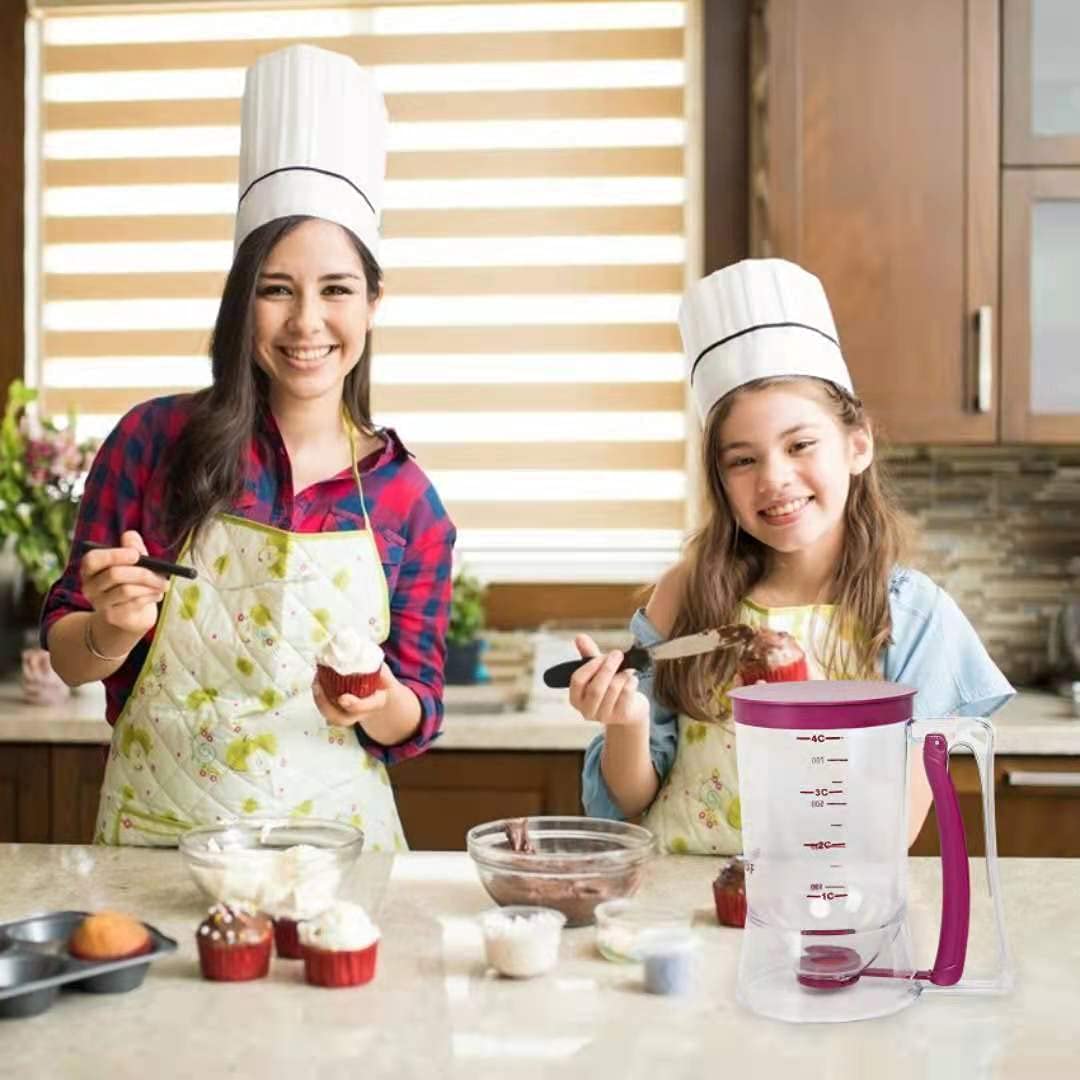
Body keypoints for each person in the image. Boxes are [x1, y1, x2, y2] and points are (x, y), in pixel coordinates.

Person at [41, 45, 455, 849]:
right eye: (276, 289)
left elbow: (419, 716)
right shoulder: (153, 442)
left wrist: (376, 699)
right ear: (242, 302)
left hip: (339, 855)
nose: (307, 323)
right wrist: (112, 628)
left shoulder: (409, 500)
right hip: (162, 843)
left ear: (373, 303)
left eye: (336, 289)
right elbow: (69, 654)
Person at [572, 258, 1013, 855]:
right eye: (743, 460)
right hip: (676, 903)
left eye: (800, 444)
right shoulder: (684, 594)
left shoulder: (910, 615)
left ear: (857, 446)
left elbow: (897, 830)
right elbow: (628, 800)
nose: (774, 479)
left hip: (828, 907)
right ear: (720, 479)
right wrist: (624, 722)